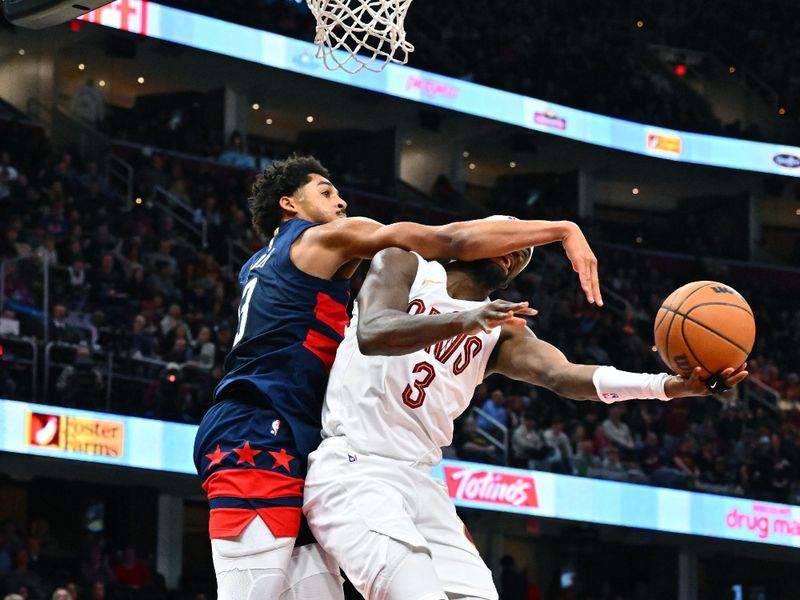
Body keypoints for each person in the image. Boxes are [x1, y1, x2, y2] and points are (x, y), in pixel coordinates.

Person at [192, 156, 604, 600]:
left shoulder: (263, 263)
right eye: (326, 191)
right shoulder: (323, 238)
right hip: (258, 425)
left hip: (298, 431)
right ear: (289, 204)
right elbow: (448, 239)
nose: (341, 199)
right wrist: (563, 229)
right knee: (250, 593)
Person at [303, 244, 748, 600]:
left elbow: (564, 376)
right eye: (510, 241)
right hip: (355, 466)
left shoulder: (502, 328)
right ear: (474, 236)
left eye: (524, 256)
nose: (517, 253)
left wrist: (667, 386)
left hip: (421, 483)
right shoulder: (405, 265)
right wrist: (464, 318)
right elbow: (374, 332)